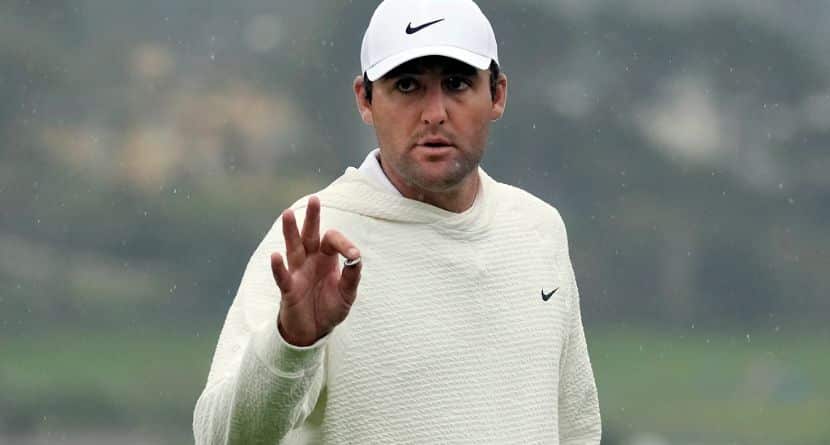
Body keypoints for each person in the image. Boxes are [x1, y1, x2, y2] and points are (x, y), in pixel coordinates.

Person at [193, 0, 601, 443]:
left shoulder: (538, 229)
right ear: (364, 100)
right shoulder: (314, 240)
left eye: (457, 83)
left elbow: (576, 427)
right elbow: (220, 437)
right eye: (407, 85)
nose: (434, 113)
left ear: (497, 94)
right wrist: (291, 342)